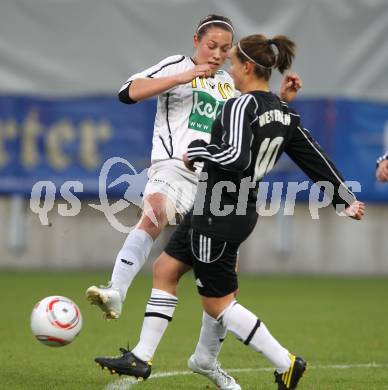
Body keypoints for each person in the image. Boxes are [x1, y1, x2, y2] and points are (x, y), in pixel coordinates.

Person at [94, 34, 365, 389]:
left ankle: (286, 362)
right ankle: (142, 357)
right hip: (236, 207)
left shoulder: (240, 106)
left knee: (219, 305)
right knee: (165, 269)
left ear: (248, 67)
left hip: (218, 212)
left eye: (234, 62)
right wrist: (344, 199)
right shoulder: (284, 112)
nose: (229, 69)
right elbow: (313, 156)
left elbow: (234, 156)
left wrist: (200, 152)